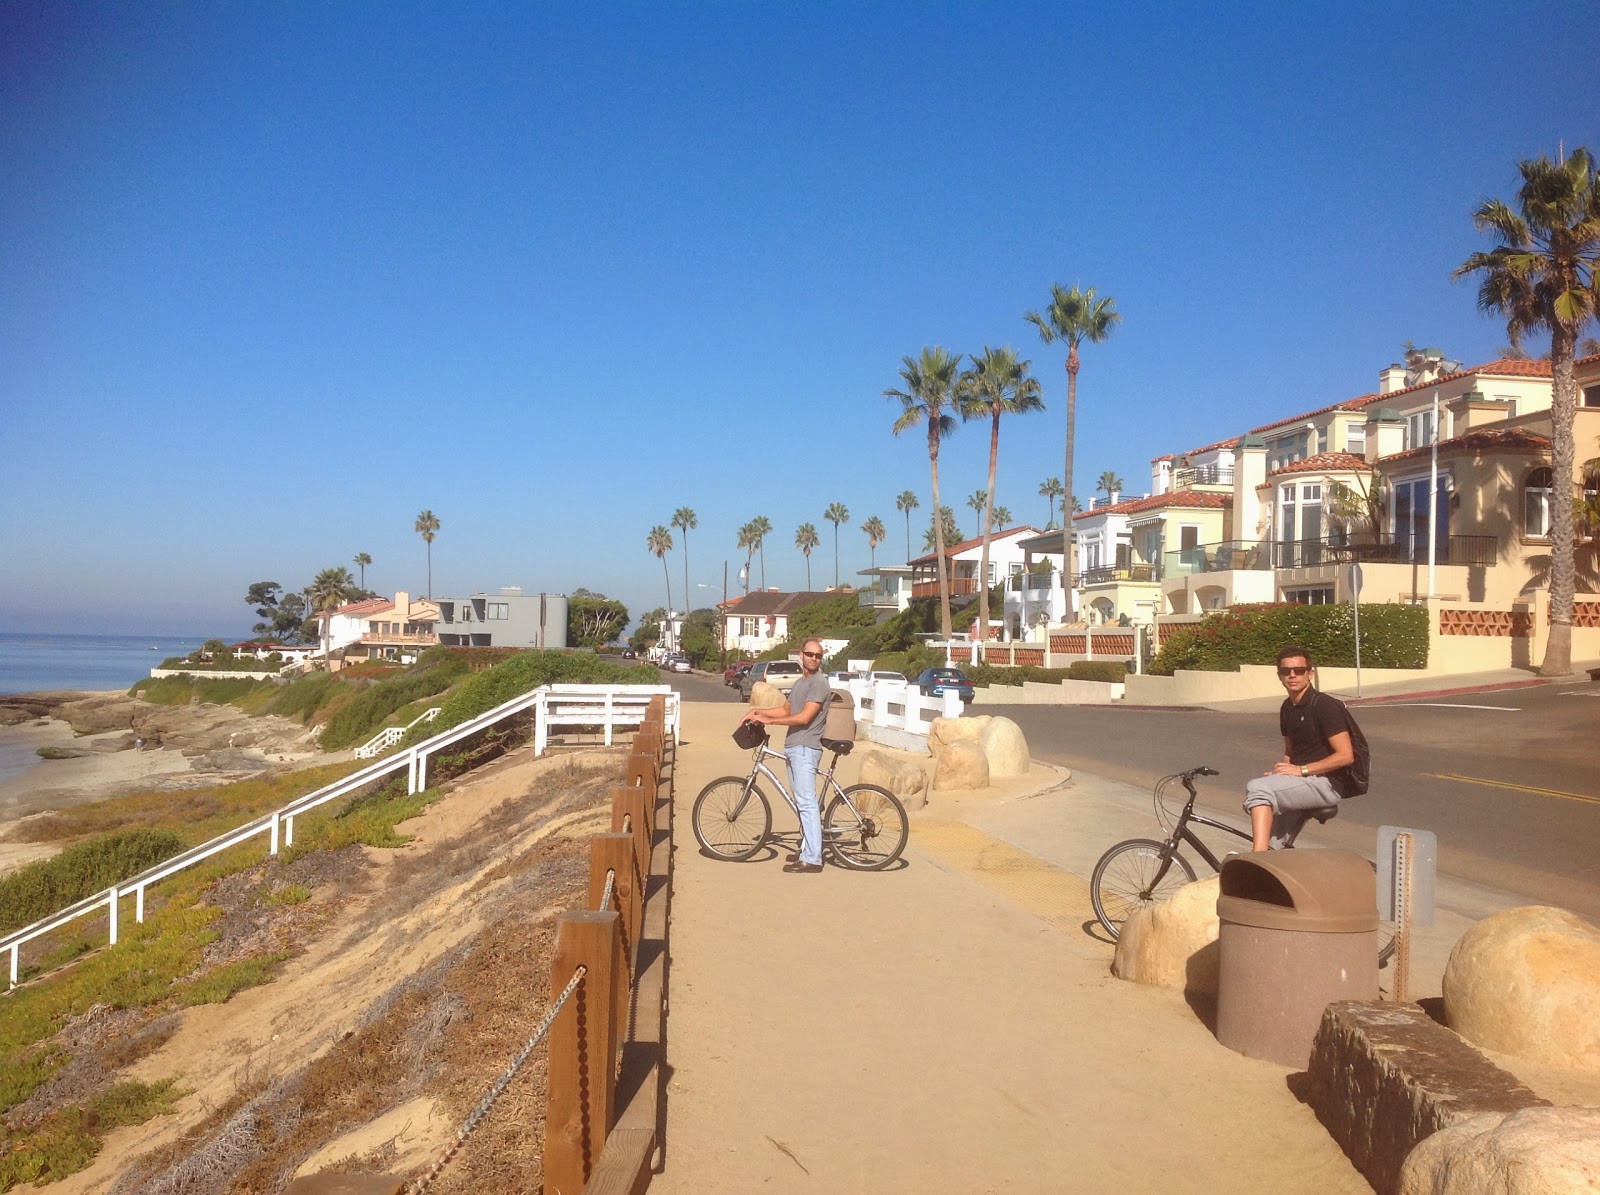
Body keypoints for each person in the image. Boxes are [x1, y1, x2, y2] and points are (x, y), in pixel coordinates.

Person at [1243, 644, 1358, 851]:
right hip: (1301, 781)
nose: (1293, 675)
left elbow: (1345, 756)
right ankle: (1267, 860)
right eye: (1286, 671)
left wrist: (1301, 770)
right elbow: (1290, 752)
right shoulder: (1287, 708)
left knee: (1258, 789)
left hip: (1326, 783)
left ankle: (1256, 855)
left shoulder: (1324, 705)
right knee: (1273, 844)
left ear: (1310, 674)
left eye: (1299, 670)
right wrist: (1281, 771)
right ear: (1279, 675)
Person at [742, 637, 831, 873]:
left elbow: (804, 718)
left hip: (806, 748)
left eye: (818, 655)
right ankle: (807, 848)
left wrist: (769, 721)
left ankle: (813, 858)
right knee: (801, 801)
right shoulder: (801, 683)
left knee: (807, 802)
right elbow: (786, 709)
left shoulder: (819, 683)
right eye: (810, 654)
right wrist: (757, 712)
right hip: (794, 746)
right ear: (801, 655)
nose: (814, 658)